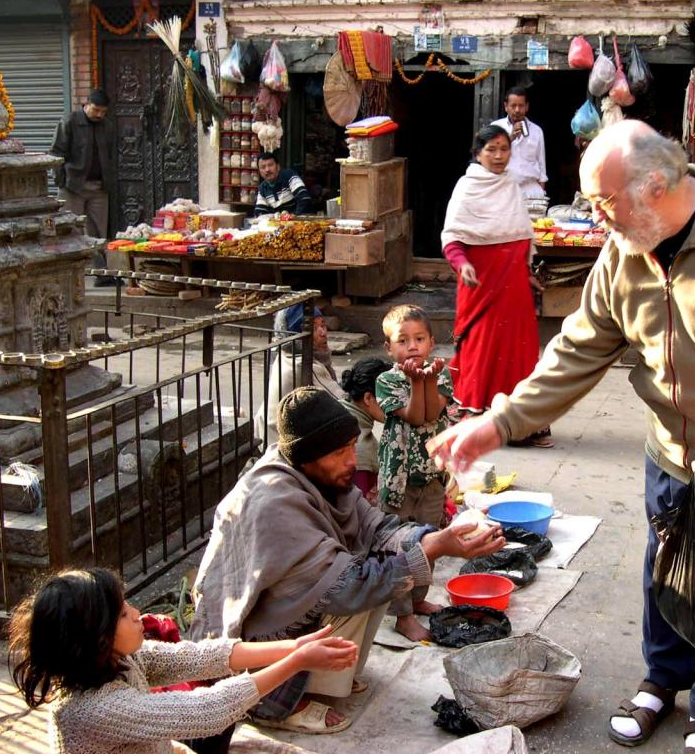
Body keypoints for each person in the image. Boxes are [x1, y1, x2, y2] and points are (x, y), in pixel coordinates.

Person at [427, 119, 695, 753]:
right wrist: (501, 420)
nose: (597, 218)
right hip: (671, 452)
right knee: (665, 571)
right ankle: (662, 680)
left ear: (656, 186)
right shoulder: (627, 245)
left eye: (604, 202)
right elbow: (583, 342)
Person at [190, 386, 503, 734]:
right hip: (246, 633)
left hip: (286, 601)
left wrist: (436, 539)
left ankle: (324, 679)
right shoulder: (273, 503)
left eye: (352, 447)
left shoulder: (319, 477)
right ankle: (271, 701)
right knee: (361, 582)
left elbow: (378, 528)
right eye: (340, 452)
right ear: (307, 458)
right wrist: (434, 550)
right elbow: (348, 588)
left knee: (383, 567)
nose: (352, 461)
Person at [8, 567, 359, 754]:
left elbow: (198, 657)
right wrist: (296, 662)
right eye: (120, 613)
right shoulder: (92, 710)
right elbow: (207, 710)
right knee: (219, 715)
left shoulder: (117, 661)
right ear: (95, 638)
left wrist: (291, 647)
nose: (135, 613)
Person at [441, 125, 551, 446]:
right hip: (480, 285)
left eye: (504, 149)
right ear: (478, 153)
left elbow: (519, 236)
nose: (499, 156)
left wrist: (525, 272)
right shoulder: (466, 188)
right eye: (492, 149)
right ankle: (479, 416)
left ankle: (522, 422)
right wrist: (462, 265)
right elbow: (452, 238)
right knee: (482, 346)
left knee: (519, 350)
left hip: (514, 287)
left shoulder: (512, 188)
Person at [376, 304, 455, 641]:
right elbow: (415, 416)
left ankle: (418, 599)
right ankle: (402, 615)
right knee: (398, 548)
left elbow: (433, 411)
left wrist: (431, 379)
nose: (412, 346)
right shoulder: (386, 380)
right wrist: (416, 381)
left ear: (431, 342)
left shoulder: (443, 375)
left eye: (419, 338)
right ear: (389, 348)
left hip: (431, 479)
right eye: (402, 340)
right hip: (399, 482)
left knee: (428, 542)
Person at [253, 304, 342, 449]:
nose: (323, 333)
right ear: (297, 335)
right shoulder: (304, 365)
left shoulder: (286, 354)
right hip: (278, 444)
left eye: (323, 325)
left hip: (267, 435)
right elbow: (342, 402)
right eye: (314, 328)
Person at [50, 88, 114, 280]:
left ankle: (101, 272)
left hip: (99, 188)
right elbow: (56, 152)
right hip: (73, 187)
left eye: (103, 112)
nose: (99, 115)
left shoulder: (107, 126)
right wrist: (61, 181)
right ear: (86, 105)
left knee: (98, 230)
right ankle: (70, 273)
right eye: (96, 110)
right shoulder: (69, 122)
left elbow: (110, 154)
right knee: (71, 229)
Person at [339, 356, 393, 505]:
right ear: (369, 398)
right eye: (390, 399)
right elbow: (358, 505)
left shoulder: (342, 410)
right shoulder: (358, 444)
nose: (397, 407)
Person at [491, 86, 548, 216]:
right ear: (506, 106)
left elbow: (541, 166)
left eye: (521, 106)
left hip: (531, 192)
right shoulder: (496, 128)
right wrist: (510, 138)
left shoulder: (536, 131)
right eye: (513, 106)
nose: (517, 110)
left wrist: (540, 192)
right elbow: (490, 157)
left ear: (527, 106)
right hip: (503, 190)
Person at [253, 151, 312, 216]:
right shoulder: (263, 188)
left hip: (298, 221)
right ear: (259, 171)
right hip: (278, 224)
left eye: (270, 165)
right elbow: (260, 212)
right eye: (263, 167)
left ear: (278, 167)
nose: (267, 169)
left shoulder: (288, 176)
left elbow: (304, 198)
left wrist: (295, 217)